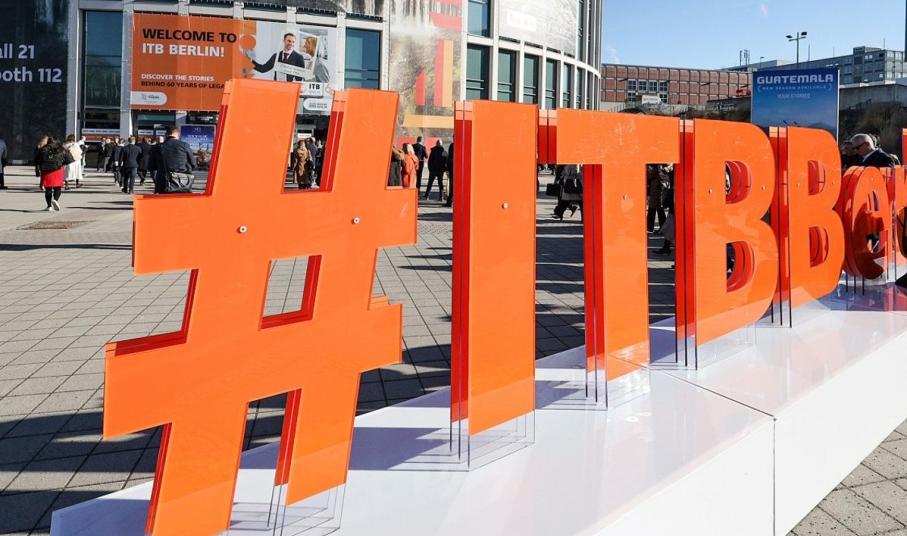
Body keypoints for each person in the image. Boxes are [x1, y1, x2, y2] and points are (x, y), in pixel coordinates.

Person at [151, 126, 196, 194]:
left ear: (166, 134)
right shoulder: (184, 145)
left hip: (163, 182)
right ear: (178, 135)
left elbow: (152, 166)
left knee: (163, 199)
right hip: (181, 181)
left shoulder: (157, 147)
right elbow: (193, 164)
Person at [35, 136, 66, 211]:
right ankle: (55, 200)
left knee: (48, 188)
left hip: (46, 170)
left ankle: (49, 206)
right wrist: (61, 164)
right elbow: (68, 159)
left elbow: (37, 160)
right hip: (58, 170)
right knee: (58, 187)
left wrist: (38, 169)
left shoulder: (43, 149)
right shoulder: (61, 148)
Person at [646, 164, 671, 233]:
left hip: (658, 183)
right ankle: (653, 227)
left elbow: (651, 173)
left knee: (656, 206)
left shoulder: (657, 165)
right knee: (656, 206)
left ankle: (651, 227)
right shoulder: (661, 165)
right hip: (660, 182)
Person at [445, 141, 454, 207]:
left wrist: (447, 169)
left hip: (452, 169)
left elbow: (449, 157)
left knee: (451, 186)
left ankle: (450, 202)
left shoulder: (452, 145)